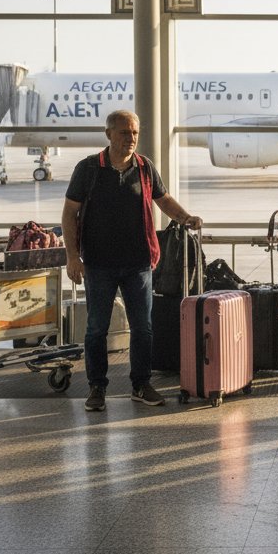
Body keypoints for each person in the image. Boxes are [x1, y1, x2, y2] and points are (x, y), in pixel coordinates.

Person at [61, 109, 203, 412]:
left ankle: (141, 384)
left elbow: (163, 200)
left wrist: (185, 217)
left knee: (143, 328)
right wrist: (73, 257)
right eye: (125, 132)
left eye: (135, 132)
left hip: (138, 263)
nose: (131, 138)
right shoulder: (88, 168)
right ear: (109, 134)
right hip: (99, 264)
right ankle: (97, 386)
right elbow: (69, 212)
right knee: (97, 329)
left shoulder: (144, 167)